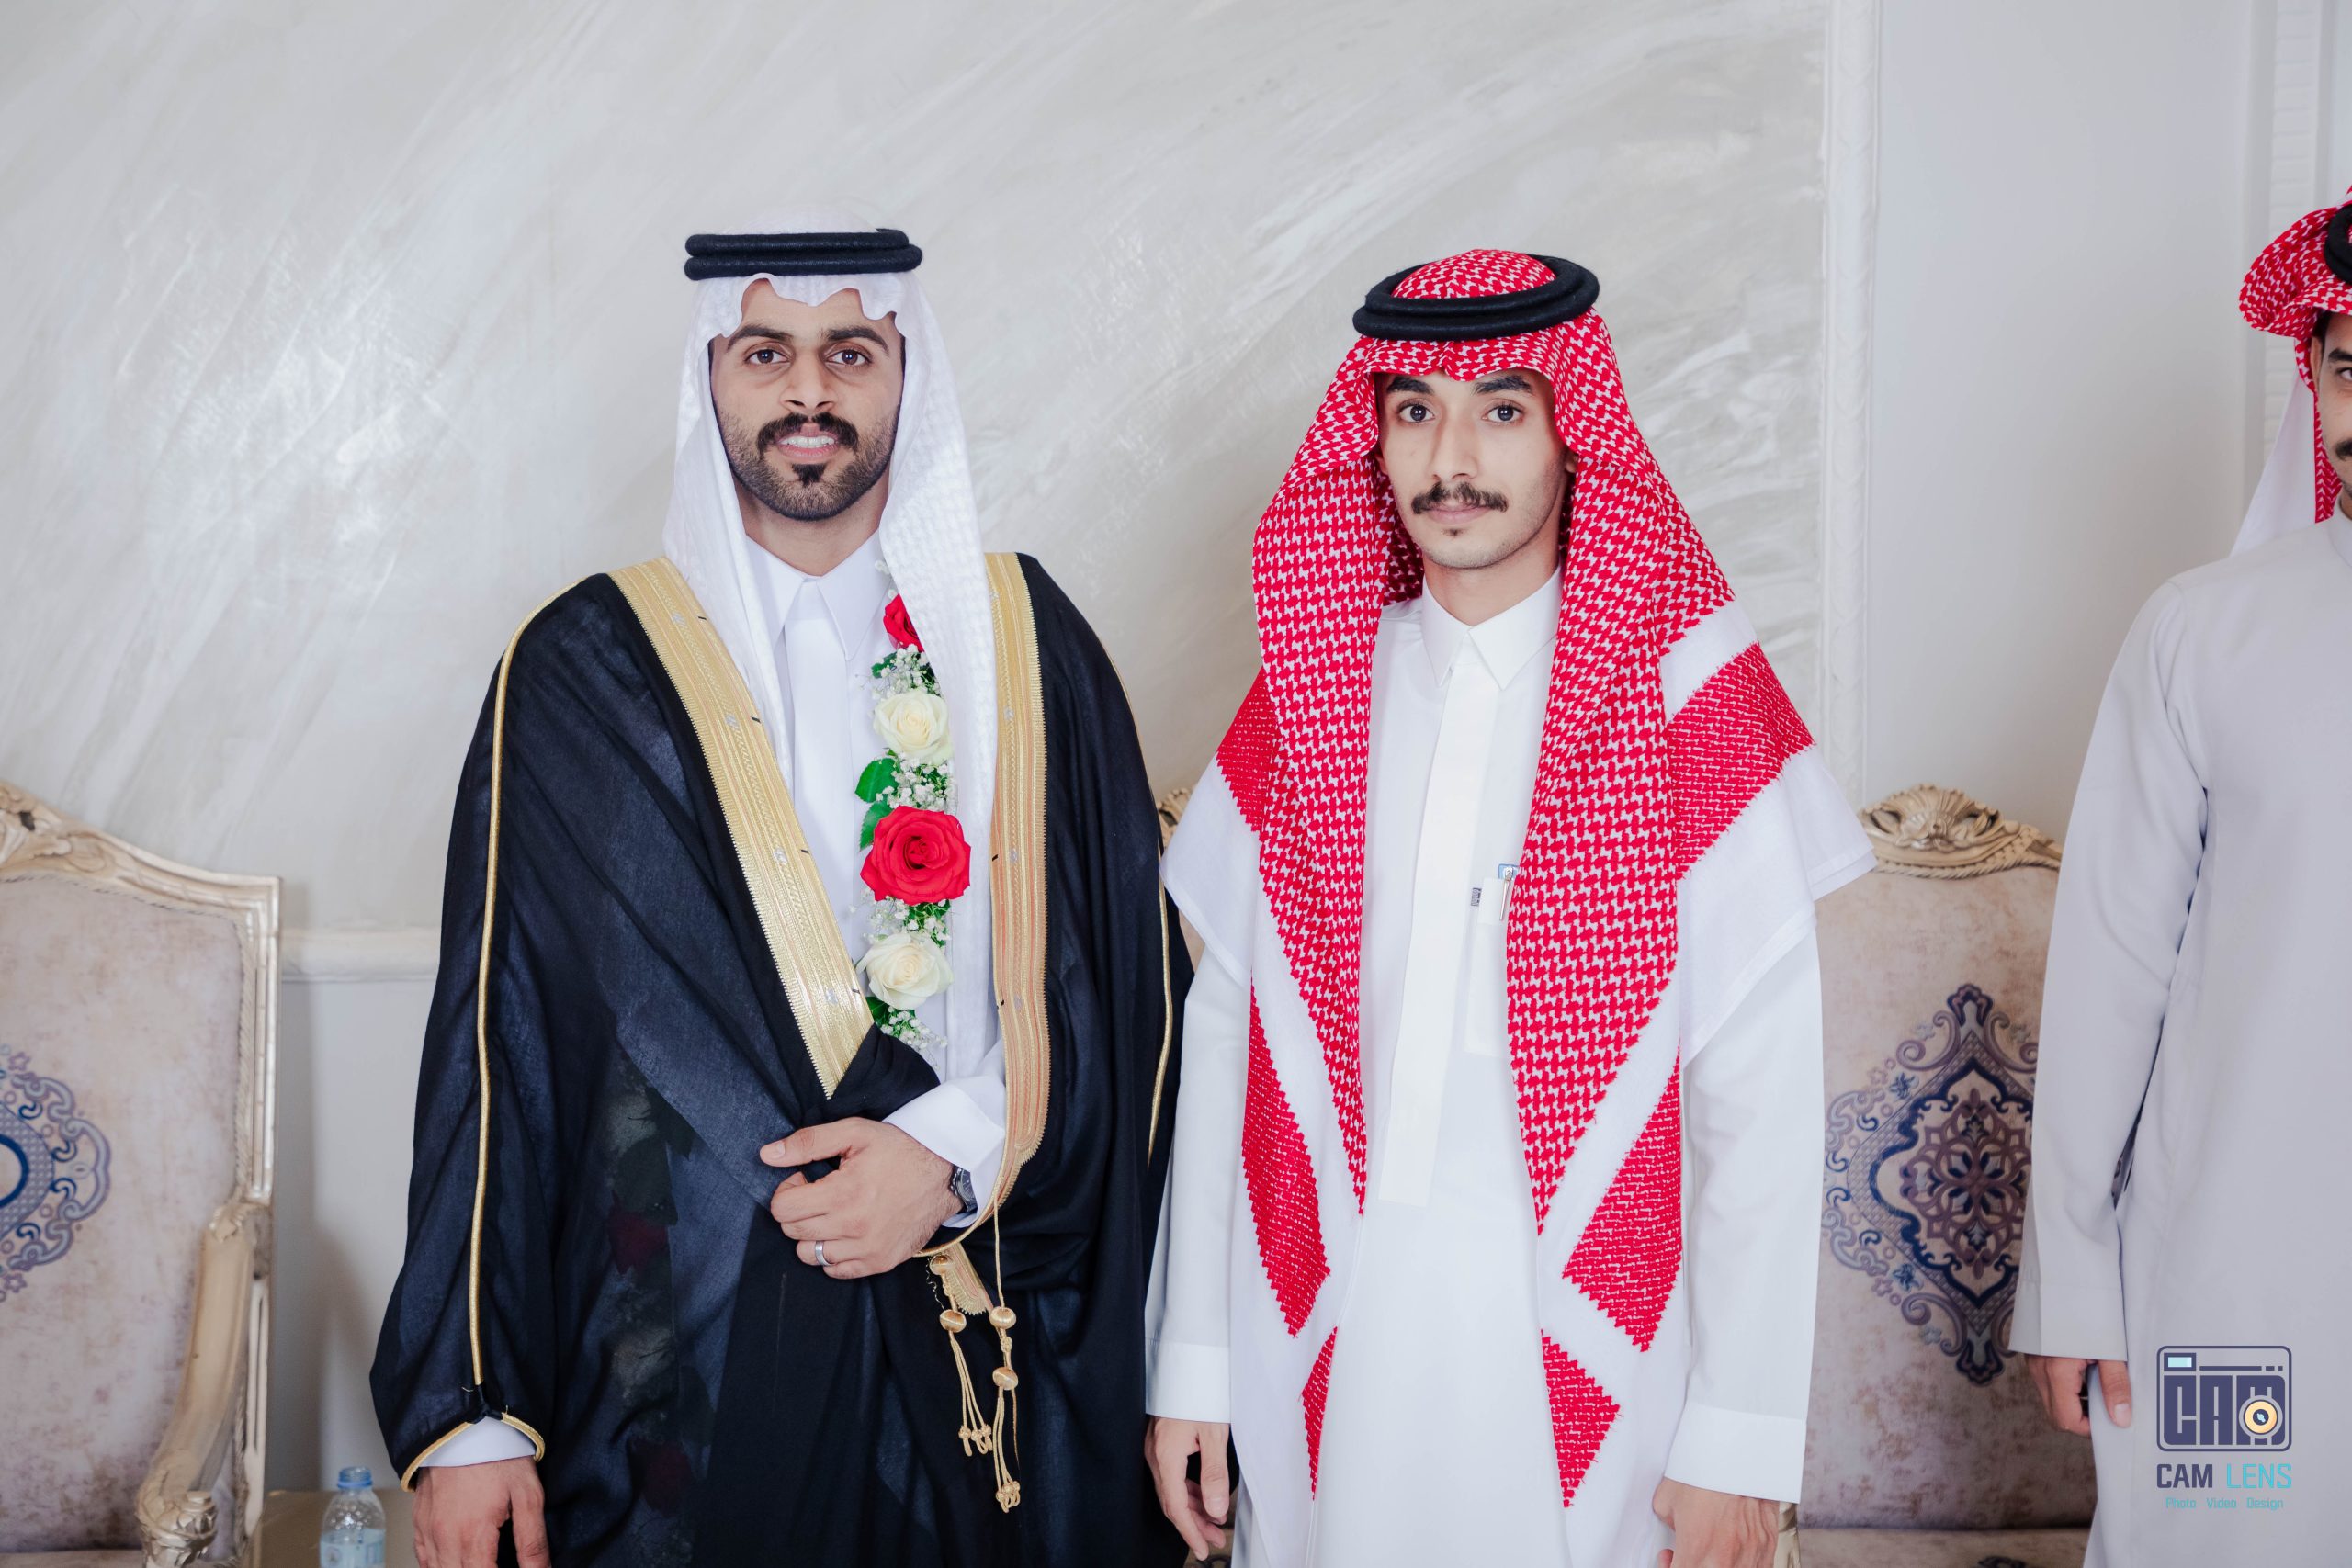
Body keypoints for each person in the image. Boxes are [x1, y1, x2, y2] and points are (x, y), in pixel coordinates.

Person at [370, 220, 1185, 1567]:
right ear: (710, 376)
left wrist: (952, 1157)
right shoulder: (582, 668)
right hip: (677, 1366)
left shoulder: (1024, 642)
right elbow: (497, 1048)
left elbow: (1129, 996)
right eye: (766, 354)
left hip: (982, 1332)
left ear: (908, 377)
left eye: (850, 352)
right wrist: (473, 1418)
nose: (809, 391)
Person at [1143, 250, 1871, 1567]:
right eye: (1415, 412)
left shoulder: (1685, 702)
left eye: (1501, 409)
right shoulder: (1313, 694)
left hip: (1598, 1353)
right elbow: (1227, 1045)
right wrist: (1192, 1360)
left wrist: (1740, 1444)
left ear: (1570, 432)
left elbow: (1760, 1097)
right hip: (1332, 1338)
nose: (1452, 459)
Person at [2011, 191, 2352, 1567]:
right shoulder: (2204, 634)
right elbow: (2111, 971)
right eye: (2350, 368)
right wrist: (2073, 1283)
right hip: (2231, 1284)